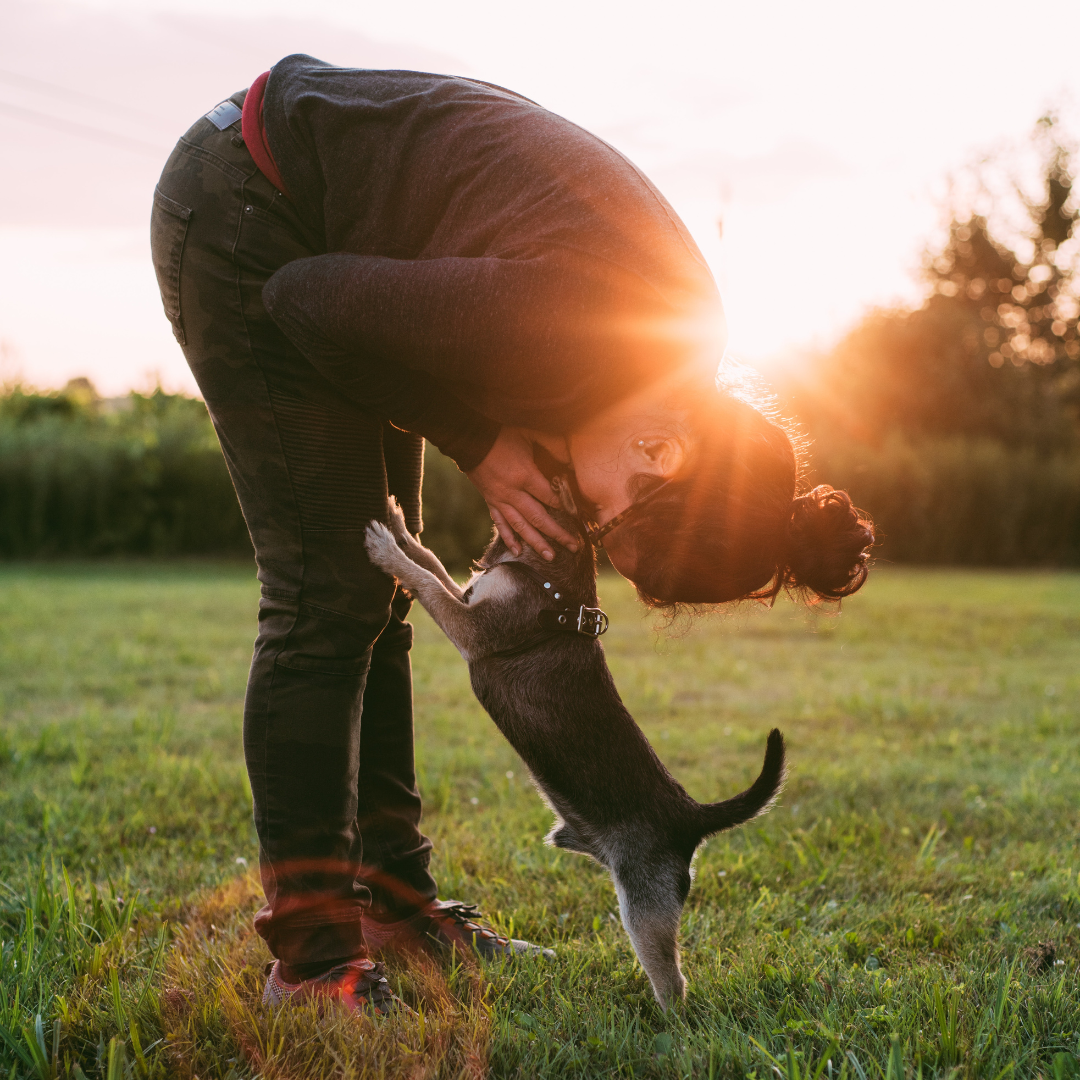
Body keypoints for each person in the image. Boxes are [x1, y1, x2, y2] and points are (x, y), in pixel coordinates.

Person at [151, 55, 873, 1015]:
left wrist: (488, 434)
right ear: (661, 453)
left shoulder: (666, 353)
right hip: (251, 204)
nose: (583, 522)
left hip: (325, 232)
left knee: (377, 593)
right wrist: (478, 441)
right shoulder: (575, 327)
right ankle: (314, 966)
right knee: (327, 591)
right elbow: (300, 299)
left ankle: (396, 910)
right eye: (607, 519)